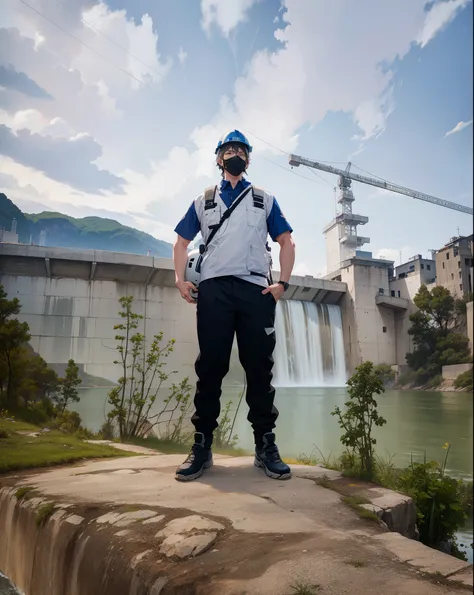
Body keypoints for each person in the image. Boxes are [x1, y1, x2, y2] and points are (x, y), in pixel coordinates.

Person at [173, 130, 296, 482]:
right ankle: (202, 445)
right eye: (228, 150)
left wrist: (282, 283)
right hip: (213, 292)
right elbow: (181, 242)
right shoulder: (204, 200)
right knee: (210, 368)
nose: (234, 154)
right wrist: (179, 279)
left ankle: (265, 445)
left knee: (259, 368)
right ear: (217, 158)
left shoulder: (264, 200)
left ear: (249, 158)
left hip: (256, 291)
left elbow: (286, 241)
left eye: (240, 149)